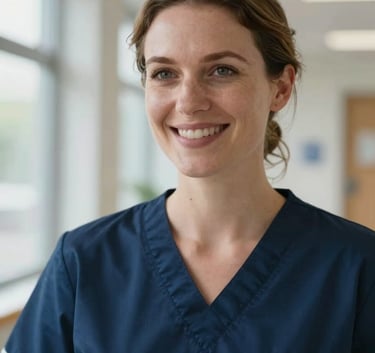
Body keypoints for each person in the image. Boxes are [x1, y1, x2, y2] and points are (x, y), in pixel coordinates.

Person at [3, 0, 375, 352]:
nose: (188, 101)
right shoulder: (84, 263)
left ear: (280, 87)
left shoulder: (358, 267)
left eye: (222, 70)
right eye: (164, 73)